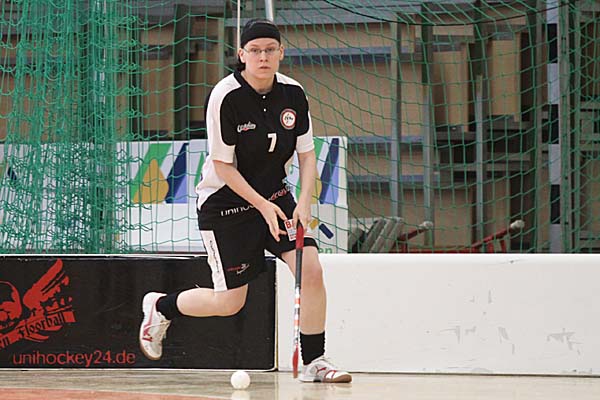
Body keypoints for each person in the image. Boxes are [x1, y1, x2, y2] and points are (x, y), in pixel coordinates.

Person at [138, 18, 351, 384]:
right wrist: (261, 205)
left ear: (281, 53)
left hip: (276, 196)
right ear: (241, 55)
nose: (262, 57)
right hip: (226, 204)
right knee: (229, 302)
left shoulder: (293, 93)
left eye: (270, 50)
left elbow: (307, 155)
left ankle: (314, 362)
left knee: (311, 270)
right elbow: (223, 165)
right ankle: (161, 306)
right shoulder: (225, 96)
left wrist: (303, 202)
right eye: (254, 51)